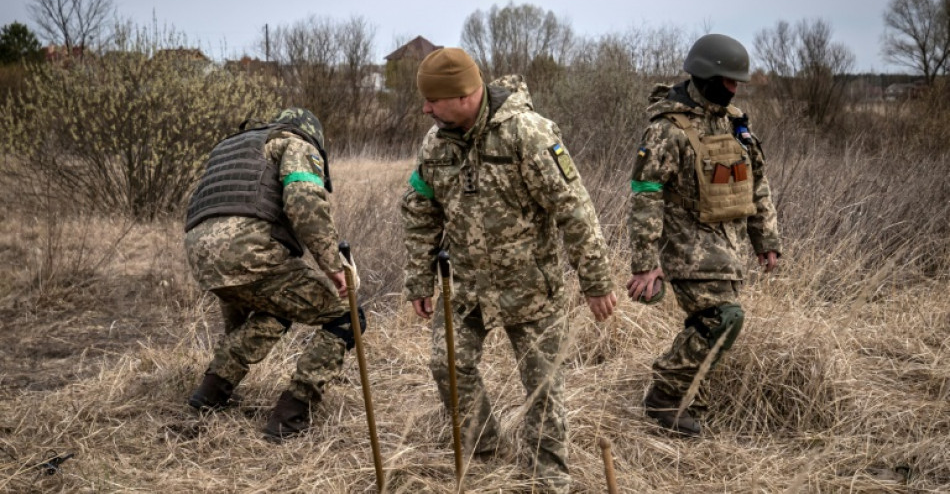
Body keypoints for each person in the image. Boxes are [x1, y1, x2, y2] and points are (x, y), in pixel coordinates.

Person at [401, 48, 617, 493]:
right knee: (447, 365)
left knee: (543, 389)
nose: (425, 109)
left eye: (432, 100)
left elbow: (574, 209)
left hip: (532, 290)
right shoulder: (435, 144)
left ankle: (548, 477)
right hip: (466, 290)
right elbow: (421, 213)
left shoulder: (529, 134)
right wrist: (420, 279)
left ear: (463, 95)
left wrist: (595, 280)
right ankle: (485, 449)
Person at [626, 34, 782, 437]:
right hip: (686, 249)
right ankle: (664, 395)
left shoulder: (734, 123)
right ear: (705, 74)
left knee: (713, 324)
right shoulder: (667, 130)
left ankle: (691, 399)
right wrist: (645, 264)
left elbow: (756, 185)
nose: (734, 89)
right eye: (728, 81)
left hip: (727, 249)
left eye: (737, 83)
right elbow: (646, 197)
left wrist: (765, 240)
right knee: (721, 319)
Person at [184, 108, 365, 441]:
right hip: (249, 253)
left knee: (275, 310)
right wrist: (333, 265)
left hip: (201, 255)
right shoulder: (296, 143)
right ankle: (292, 413)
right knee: (348, 317)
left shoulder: (237, 147)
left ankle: (210, 394)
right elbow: (303, 202)